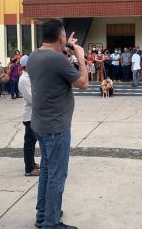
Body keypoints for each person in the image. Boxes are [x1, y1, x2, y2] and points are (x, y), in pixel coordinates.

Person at [28, 19, 88, 229]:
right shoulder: (58, 60)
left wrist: (65, 47)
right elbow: (83, 83)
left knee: (46, 170)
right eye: (65, 39)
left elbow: (55, 67)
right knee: (56, 175)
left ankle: (42, 215)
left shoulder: (34, 55)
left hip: (40, 124)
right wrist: (80, 56)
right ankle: (51, 223)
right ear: (61, 38)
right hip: (56, 128)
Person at [18, 55, 40, 177]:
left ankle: (32, 163)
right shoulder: (24, 79)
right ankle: (29, 168)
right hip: (30, 114)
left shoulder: (31, 76)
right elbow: (31, 98)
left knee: (32, 141)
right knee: (30, 142)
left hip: (35, 114)